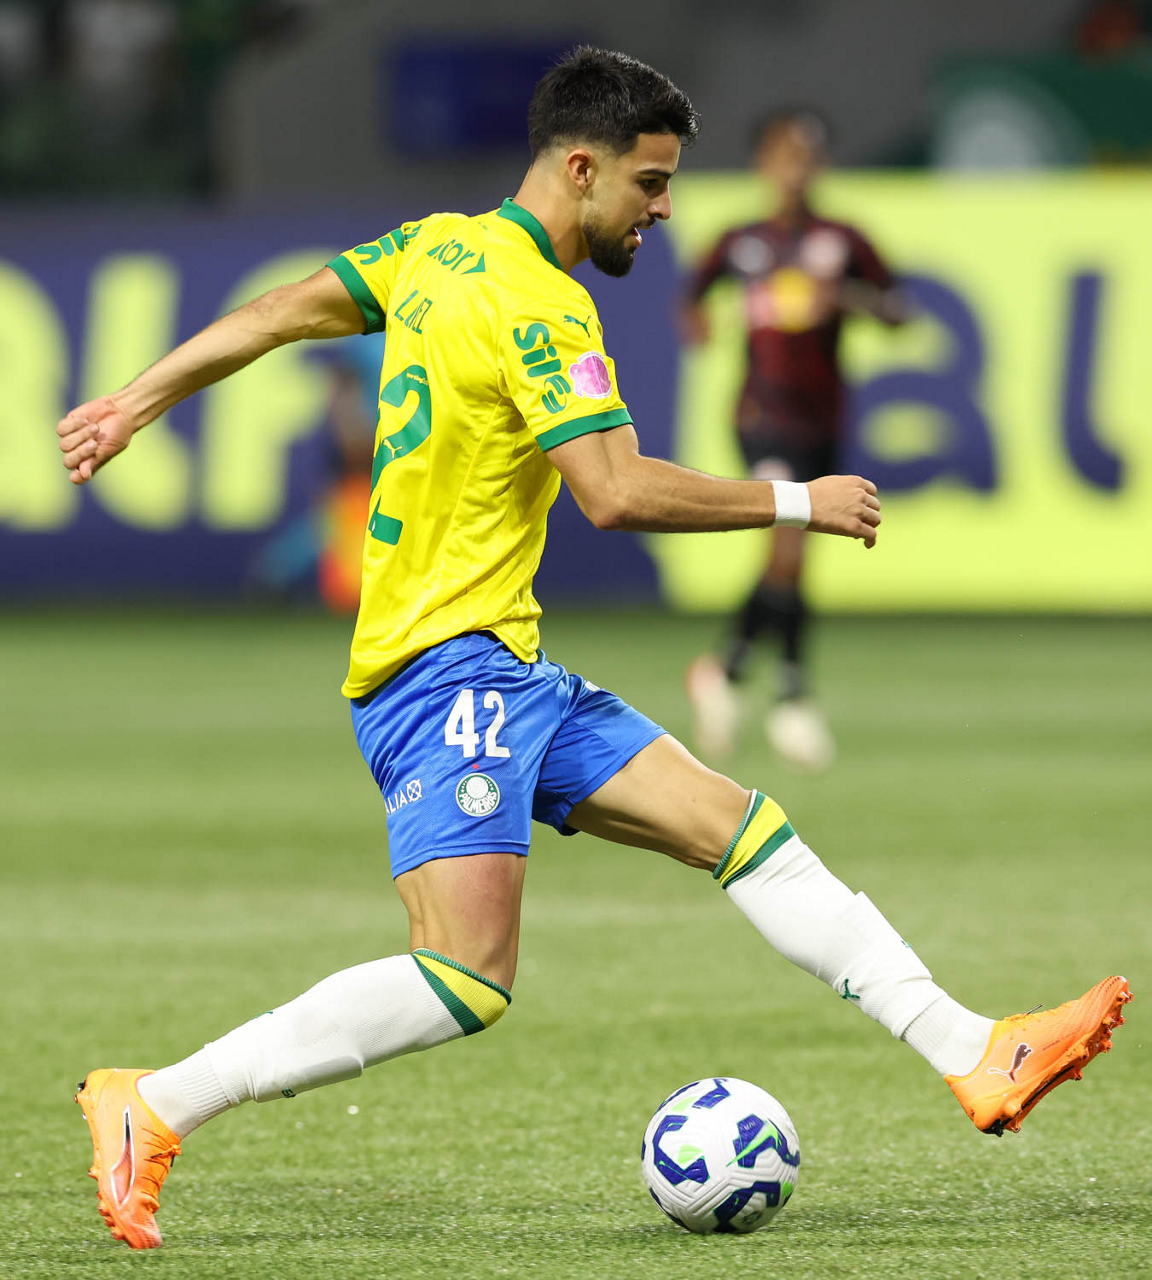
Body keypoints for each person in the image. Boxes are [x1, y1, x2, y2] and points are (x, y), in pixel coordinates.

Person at [57, 48, 1129, 1252]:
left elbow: (277, 313)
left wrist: (137, 399)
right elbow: (612, 491)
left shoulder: (434, 248)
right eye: (651, 182)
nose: (663, 210)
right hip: (441, 672)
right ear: (580, 167)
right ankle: (157, 1100)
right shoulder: (542, 302)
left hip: (504, 667)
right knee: (465, 974)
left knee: (744, 830)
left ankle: (973, 1048)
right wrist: (796, 500)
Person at [682, 108, 909, 769]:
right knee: (787, 550)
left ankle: (725, 670)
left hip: (823, 421)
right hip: (761, 417)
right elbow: (692, 296)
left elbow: (898, 309)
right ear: (764, 164)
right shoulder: (741, 241)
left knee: (796, 558)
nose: (796, 170)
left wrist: (847, 300)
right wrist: (698, 325)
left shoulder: (843, 240)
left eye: (807, 158)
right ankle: (792, 696)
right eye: (785, 156)